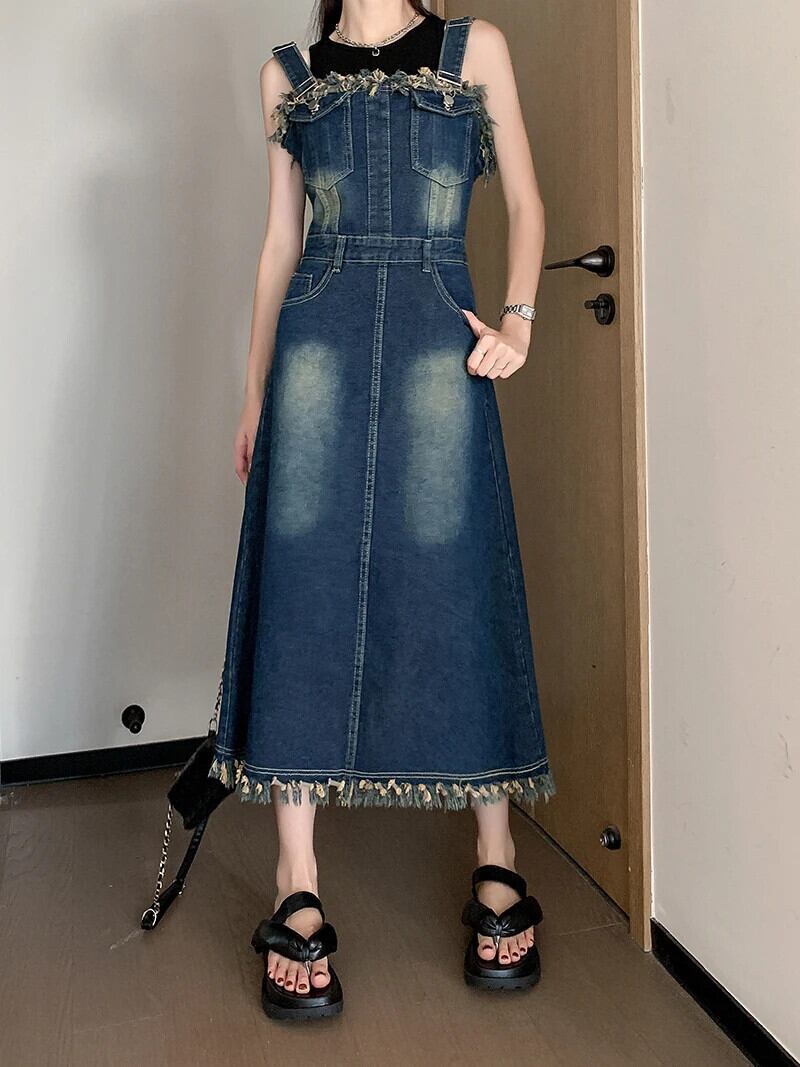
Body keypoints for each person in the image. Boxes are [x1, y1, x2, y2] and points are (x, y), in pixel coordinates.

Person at [209, 0, 555, 1019]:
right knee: (304, 597)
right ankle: (296, 875)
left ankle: (496, 850)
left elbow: (526, 203)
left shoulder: (475, 50)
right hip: (315, 349)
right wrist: (254, 392)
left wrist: (520, 320)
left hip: (439, 345)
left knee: (455, 588)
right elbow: (281, 242)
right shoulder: (287, 74)